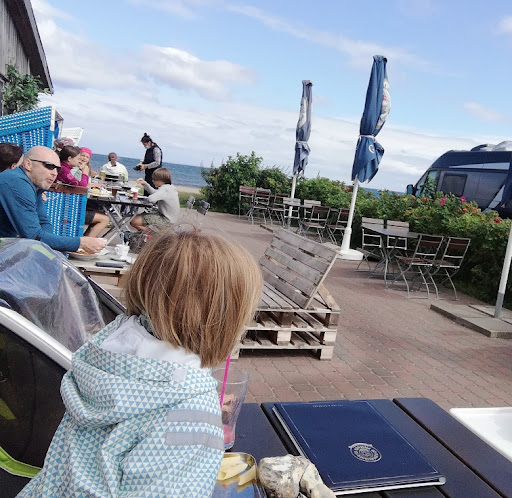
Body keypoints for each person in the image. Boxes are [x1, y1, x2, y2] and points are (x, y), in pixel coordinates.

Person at [17, 228, 263, 497]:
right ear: (222, 322)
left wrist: (193, 393)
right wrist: (197, 404)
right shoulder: (193, 416)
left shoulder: (107, 352)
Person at [0, 145, 106, 253]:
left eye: (58, 169)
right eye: (49, 166)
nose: (54, 173)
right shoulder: (16, 183)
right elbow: (34, 235)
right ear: (28, 164)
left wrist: (49, 245)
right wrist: (80, 243)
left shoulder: (35, 186)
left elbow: (43, 222)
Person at [56, 145, 109, 238]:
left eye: (86, 157)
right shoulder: (65, 170)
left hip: (66, 205)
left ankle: (84, 239)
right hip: (68, 210)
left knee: (98, 212)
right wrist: (85, 172)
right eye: (78, 158)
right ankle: (85, 243)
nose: (79, 160)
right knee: (105, 219)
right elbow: (81, 186)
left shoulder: (64, 168)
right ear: (70, 158)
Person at [130, 167, 180, 232]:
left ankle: (153, 235)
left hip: (166, 220)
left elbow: (151, 199)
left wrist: (147, 198)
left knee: (134, 221)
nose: (152, 181)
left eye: (154, 179)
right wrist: (145, 184)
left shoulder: (165, 189)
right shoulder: (170, 187)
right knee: (139, 217)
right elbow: (155, 193)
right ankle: (145, 235)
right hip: (169, 218)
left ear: (161, 180)